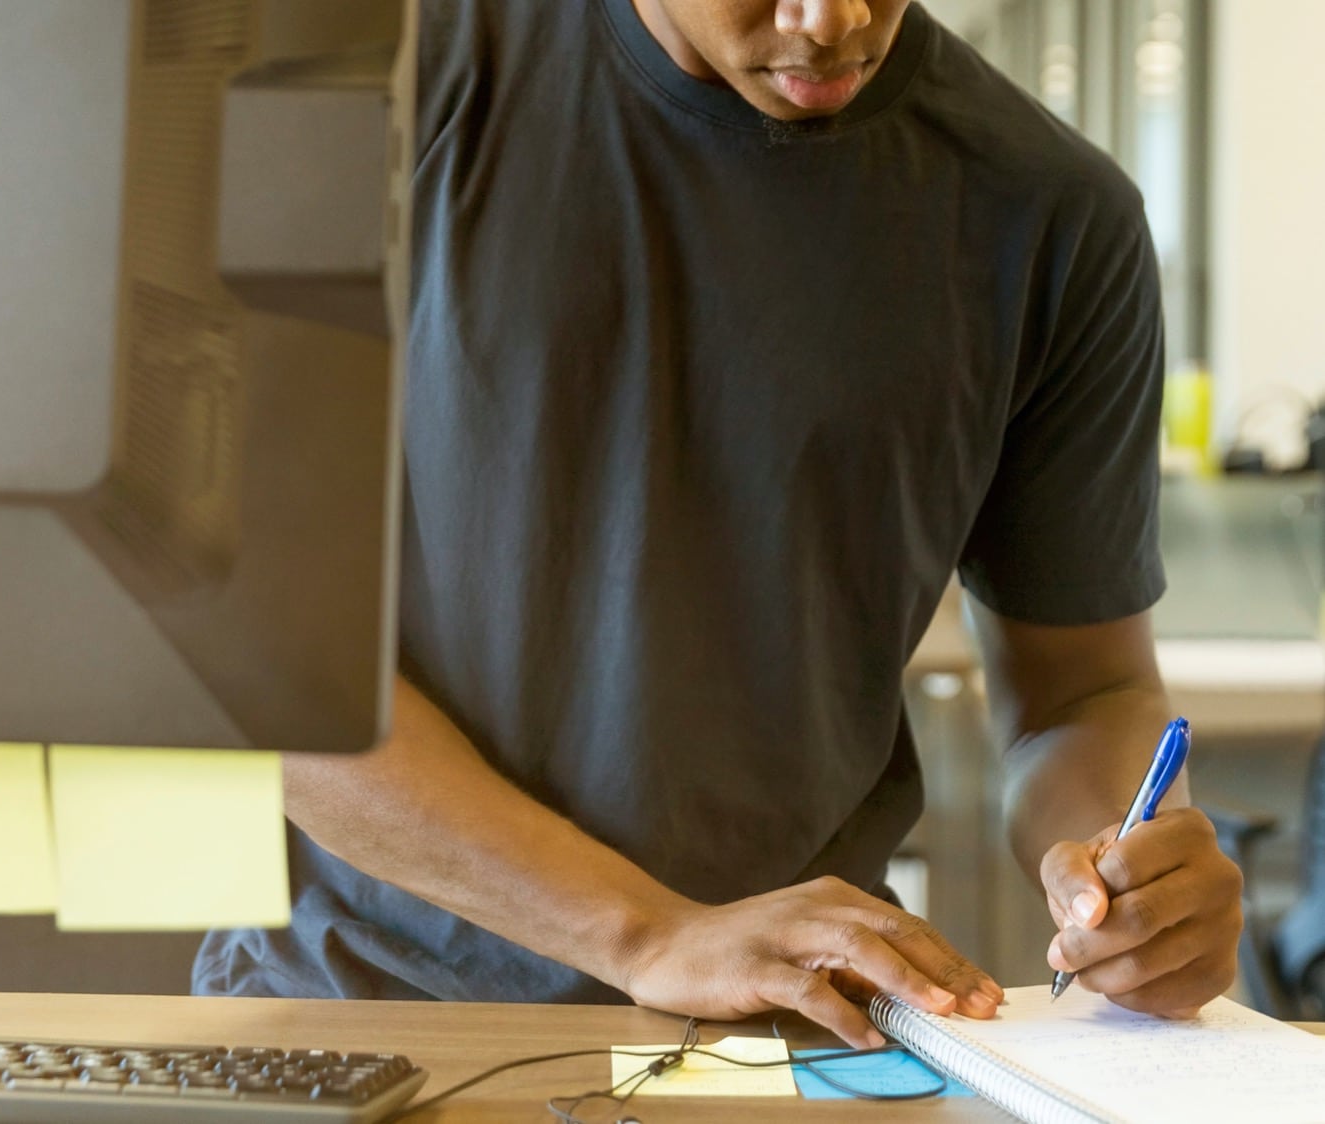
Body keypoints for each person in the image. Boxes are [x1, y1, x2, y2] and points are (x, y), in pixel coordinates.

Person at [195, 0, 1244, 1047]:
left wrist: (1127, 880)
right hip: (363, 1021)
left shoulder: (1051, 214)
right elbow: (255, 646)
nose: (827, 19)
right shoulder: (386, 77)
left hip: (785, 1047)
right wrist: (646, 930)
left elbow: (1080, 691)